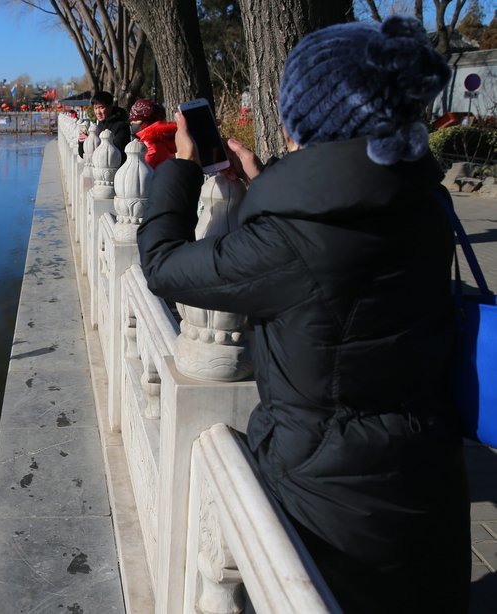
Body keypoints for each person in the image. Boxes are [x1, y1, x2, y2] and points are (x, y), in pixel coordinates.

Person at [137, 17, 469, 613]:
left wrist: (182, 167)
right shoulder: (420, 197)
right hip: (426, 482)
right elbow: (337, 268)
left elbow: (163, 265)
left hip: (328, 505)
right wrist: (270, 189)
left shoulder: (291, 239)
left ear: (305, 117)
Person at [78, 90, 130, 163]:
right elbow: (83, 155)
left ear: (110, 107)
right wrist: (84, 142)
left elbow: (115, 155)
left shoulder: (121, 126)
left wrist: (93, 142)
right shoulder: (100, 124)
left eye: (101, 107)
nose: (98, 112)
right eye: (95, 108)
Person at [128, 98, 176, 168]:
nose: (132, 123)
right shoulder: (163, 137)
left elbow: (139, 171)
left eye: (135, 119)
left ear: (146, 122)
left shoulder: (150, 145)